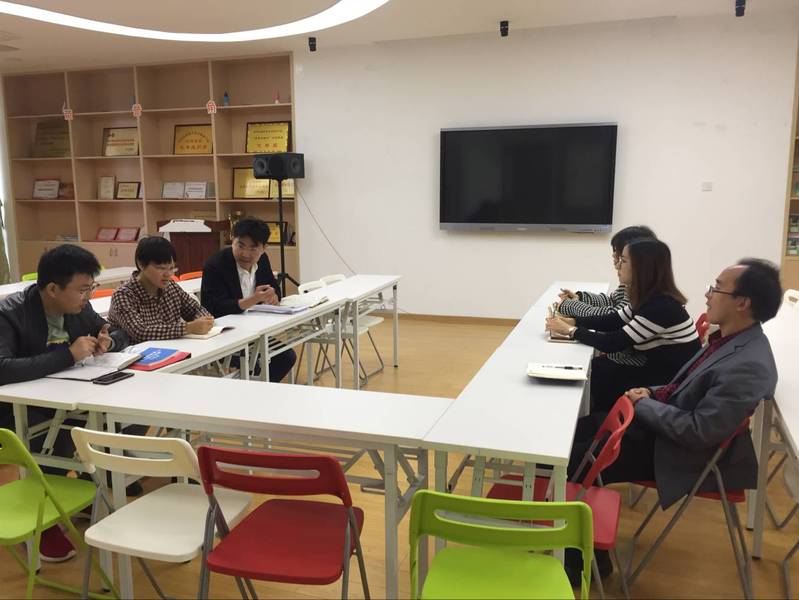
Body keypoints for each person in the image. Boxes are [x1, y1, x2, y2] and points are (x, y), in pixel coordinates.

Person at [565, 258, 781, 579]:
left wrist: (643, 405)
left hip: (680, 454)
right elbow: (682, 385)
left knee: (577, 459)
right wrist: (651, 393)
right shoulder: (730, 340)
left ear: (743, 303)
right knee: (575, 432)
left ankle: (580, 560)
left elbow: (698, 432)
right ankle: (571, 538)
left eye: (716, 288)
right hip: (663, 429)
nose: (707, 294)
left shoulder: (749, 365)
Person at [0, 244, 129, 562]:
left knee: (117, 415)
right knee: (54, 435)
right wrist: (68, 355)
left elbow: (115, 330)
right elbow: (3, 369)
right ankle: (41, 518)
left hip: (67, 396)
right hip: (19, 409)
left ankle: (81, 488)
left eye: (91, 288)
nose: (87, 296)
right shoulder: (10, 313)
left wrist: (109, 340)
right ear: (53, 289)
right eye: (82, 289)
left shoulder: (78, 307)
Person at [546, 238, 701, 412]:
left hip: (668, 382)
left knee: (598, 372)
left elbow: (612, 343)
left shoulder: (661, 307)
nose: (618, 265)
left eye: (624, 260)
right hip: (656, 368)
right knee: (597, 367)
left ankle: (590, 422)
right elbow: (613, 320)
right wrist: (575, 322)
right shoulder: (648, 298)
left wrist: (570, 330)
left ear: (642, 268)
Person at [201, 217, 296, 382]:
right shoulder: (216, 265)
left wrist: (273, 296)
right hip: (223, 335)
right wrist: (252, 300)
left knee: (285, 357)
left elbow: (274, 288)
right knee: (263, 363)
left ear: (264, 248)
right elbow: (213, 307)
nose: (245, 254)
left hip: (253, 331)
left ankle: (257, 392)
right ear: (232, 240)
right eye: (240, 246)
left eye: (253, 248)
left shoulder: (262, 260)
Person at [108, 236, 214, 343]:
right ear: (141, 264)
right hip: (138, 352)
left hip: (173, 348)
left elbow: (195, 309)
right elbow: (140, 332)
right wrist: (188, 328)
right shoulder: (124, 295)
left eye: (171, 268)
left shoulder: (171, 287)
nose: (168, 274)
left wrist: (204, 321)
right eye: (161, 268)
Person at [557, 225, 656, 318]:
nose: (613, 255)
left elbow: (612, 317)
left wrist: (570, 306)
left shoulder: (642, 289)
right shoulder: (630, 282)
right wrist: (580, 297)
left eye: (617, 251)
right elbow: (612, 301)